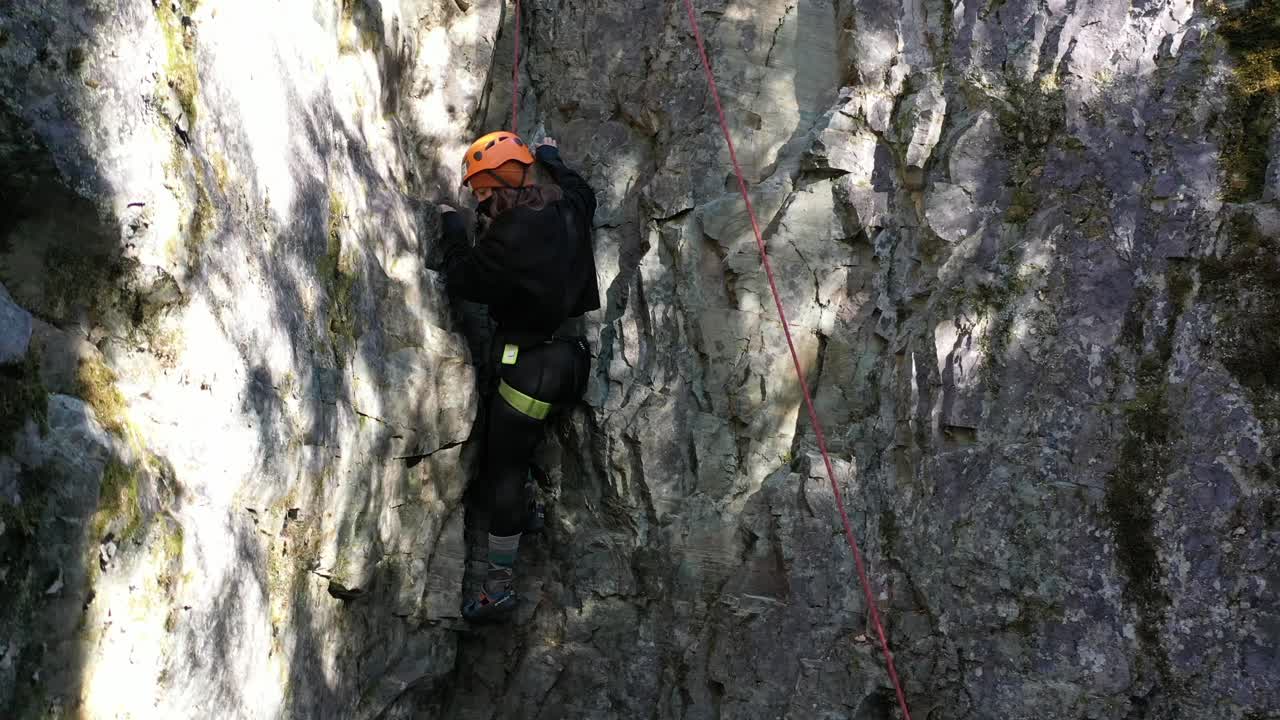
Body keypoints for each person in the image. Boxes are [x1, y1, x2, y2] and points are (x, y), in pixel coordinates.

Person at [438, 131, 599, 621]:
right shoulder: (569, 211)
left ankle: (499, 586)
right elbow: (582, 191)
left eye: (484, 192)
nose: (481, 202)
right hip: (571, 362)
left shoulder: (507, 236)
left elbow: (465, 280)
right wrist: (551, 155)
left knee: (501, 470)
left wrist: (452, 230)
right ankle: (525, 512)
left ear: (497, 189)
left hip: (530, 370)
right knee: (519, 441)